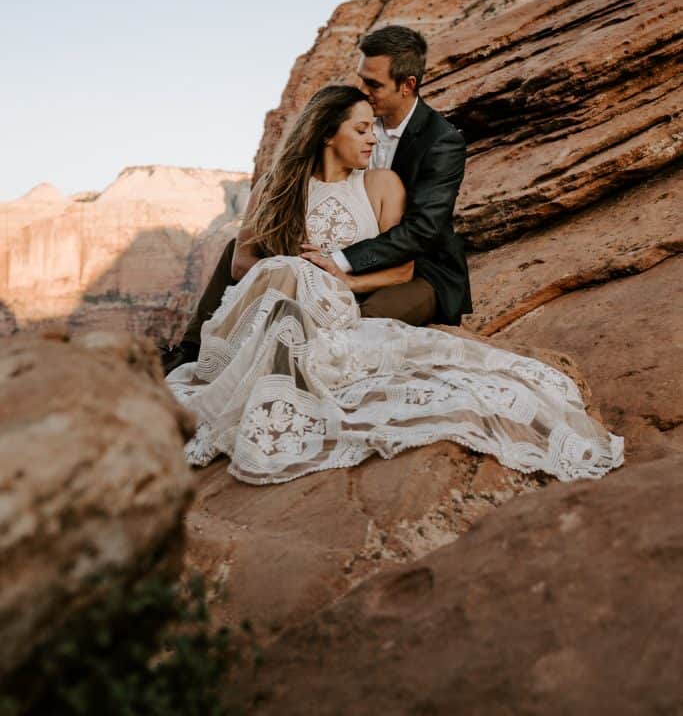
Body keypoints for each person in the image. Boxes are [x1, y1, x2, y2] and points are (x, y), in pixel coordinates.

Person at [166, 84, 623, 485]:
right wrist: (288, 263)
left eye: (374, 129)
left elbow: (403, 271)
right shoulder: (278, 184)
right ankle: (217, 360)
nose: (372, 139)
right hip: (278, 295)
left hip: (338, 300)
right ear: (328, 134)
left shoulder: (383, 185)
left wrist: (341, 276)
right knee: (282, 274)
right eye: (361, 130)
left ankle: (276, 363)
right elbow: (242, 257)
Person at [164, 25, 471, 376]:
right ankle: (191, 350)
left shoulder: (440, 141)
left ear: (408, 85)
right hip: (335, 251)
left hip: (420, 269)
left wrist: (336, 266)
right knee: (238, 246)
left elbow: (421, 231)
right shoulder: (346, 124)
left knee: (354, 333)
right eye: (362, 81)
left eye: (374, 85)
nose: (364, 92)